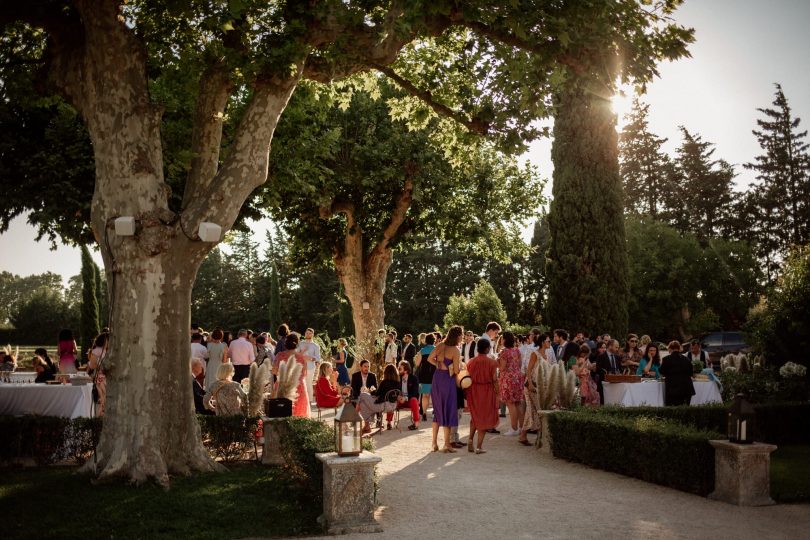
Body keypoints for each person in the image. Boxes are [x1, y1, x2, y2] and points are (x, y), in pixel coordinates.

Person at [427, 325, 462, 452]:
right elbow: (457, 370)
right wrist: (460, 367)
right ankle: (447, 444)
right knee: (447, 409)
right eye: (461, 336)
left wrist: (437, 363)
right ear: (457, 336)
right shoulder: (455, 350)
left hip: (437, 379)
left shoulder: (440, 345)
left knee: (437, 411)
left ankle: (434, 443)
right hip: (448, 380)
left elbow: (429, 358)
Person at [465, 339, 498, 454]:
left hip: (473, 390)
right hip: (487, 390)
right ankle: (479, 447)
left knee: (475, 416)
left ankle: (470, 440)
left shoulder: (471, 362)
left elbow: (467, 377)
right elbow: (494, 379)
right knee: (483, 418)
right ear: (487, 348)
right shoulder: (492, 363)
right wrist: (498, 392)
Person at [518, 333, 548, 445]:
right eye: (548, 341)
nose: (549, 343)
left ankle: (525, 436)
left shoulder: (545, 355)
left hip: (539, 387)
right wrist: (530, 383)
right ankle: (536, 437)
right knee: (535, 410)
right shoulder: (535, 354)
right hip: (531, 386)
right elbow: (528, 369)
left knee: (533, 410)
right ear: (542, 342)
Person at [357, 364, 401, 433]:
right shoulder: (398, 383)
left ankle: (354, 414)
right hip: (393, 406)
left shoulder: (384, 382)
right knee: (363, 404)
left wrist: (370, 391)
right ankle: (367, 426)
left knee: (362, 395)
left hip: (383, 406)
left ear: (386, 373)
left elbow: (377, 394)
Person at [276, 333, 310, 417]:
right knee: (299, 415)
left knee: (282, 413)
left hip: (283, 385)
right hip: (299, 387)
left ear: (286, 343)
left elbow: (274, 371)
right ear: (297, 344)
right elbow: (305, 374)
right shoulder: (301, 357)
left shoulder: (280, 355)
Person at [497, 331, 525, 436]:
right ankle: (522, 428)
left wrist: (496, 362)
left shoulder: (504, 352)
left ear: (504, 339)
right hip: (517, 377)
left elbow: (502, 368)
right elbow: (520, 364)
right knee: (518, 403)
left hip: (508, 379)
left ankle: (514, 428)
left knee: (510, 403)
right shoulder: (516, 350)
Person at [658, 341, 695, 406]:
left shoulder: (666, 359)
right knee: (685, 410)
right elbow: (691, 373)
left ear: (669, 348)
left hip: (673, 388)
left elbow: (661, 371)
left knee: (672, 410)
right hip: (687, 388)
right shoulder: (687, 359)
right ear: (679, 348)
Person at [414, 333, 436, 422]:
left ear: (426, 341)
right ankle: (436, 413)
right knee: (435, 395)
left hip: (424, 374)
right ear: (434, 341)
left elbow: (417, 364)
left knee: (425, 396)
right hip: (435, 374)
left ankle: (424, 413)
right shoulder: (437, 350)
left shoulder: (422, 351)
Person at [298, 328, 321, 405]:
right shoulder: (300, 344)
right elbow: (296, 354)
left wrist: (310, 358)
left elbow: (318, 358)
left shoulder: (315, 346)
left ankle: (310, 401)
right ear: (305, 334)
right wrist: (301, 355)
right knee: (300, 383)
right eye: (307, 333)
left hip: (310, 367)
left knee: (308, 383)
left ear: (312, 334)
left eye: (310, 333)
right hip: (300, 366)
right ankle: (301, 400)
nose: (308, 334)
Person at [87, 333, 109, 415]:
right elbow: (92, 365)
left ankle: (101, 416)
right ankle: (101, 417)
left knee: (105, 399)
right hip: (100, 376)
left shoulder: (107, 350)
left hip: (106, 376)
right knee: (104, 398)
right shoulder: (97, 350)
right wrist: (102, 366)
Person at [595, 339, 622, 404]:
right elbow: (598, 369)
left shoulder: (617, 357)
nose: (617, 349)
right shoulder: (601, 356)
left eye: (618, 347)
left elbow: (620, 369)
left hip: (616, 384)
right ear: (610, 346)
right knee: (604, 402)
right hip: (605, 384)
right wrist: (607, 374)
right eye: (616, 347)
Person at [396, 361, 421, 430]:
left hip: (409, 400)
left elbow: (415, 393)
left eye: (400, 368)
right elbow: (395, 390)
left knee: (414, 400)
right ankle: (389, 422)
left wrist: (406, 398)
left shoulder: (413, 378)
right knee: (391, 400)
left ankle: (416, 424)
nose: (398, 370)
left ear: (406, 370)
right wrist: (398, 397)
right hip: (400, 401)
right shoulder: (397, 378)